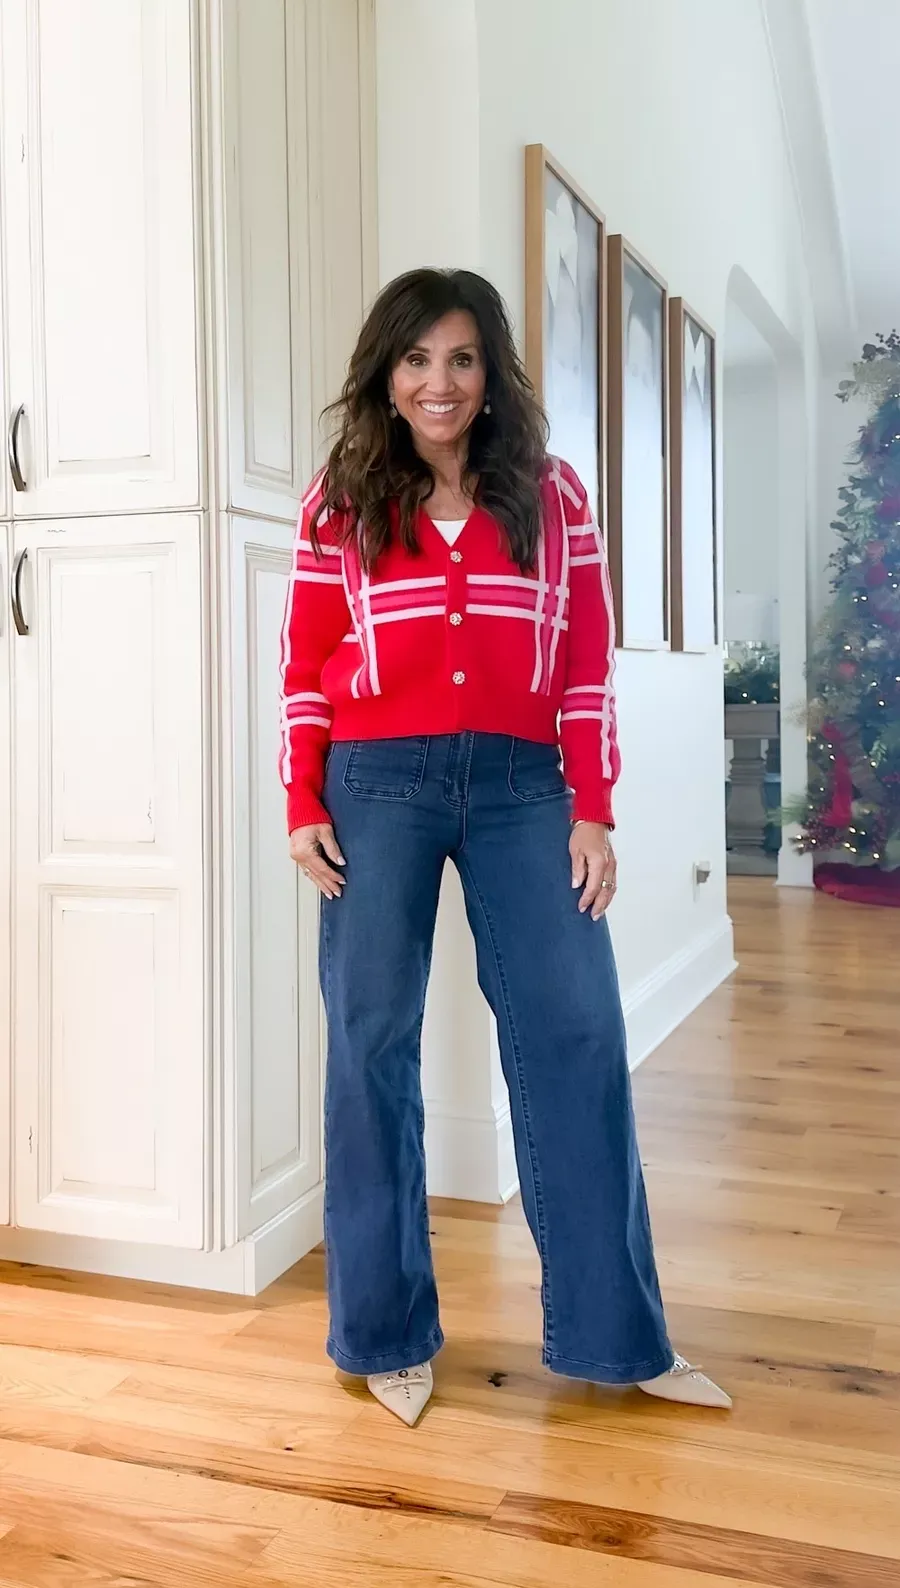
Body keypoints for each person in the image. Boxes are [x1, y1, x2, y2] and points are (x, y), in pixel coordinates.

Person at [278, 267, 731, 1427]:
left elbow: (586, 656)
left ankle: (617, 1337)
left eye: (464, 358)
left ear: (492, 375)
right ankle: (380, 1331)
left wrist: (595, 802)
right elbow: (305, 661)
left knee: (576, 1027)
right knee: (369, 1039)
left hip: (529, 785)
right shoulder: (339, 501)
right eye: (419, 359)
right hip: (374, 784)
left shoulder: (551, 493)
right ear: (387, 373)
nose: (441, 382)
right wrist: (301, 798)